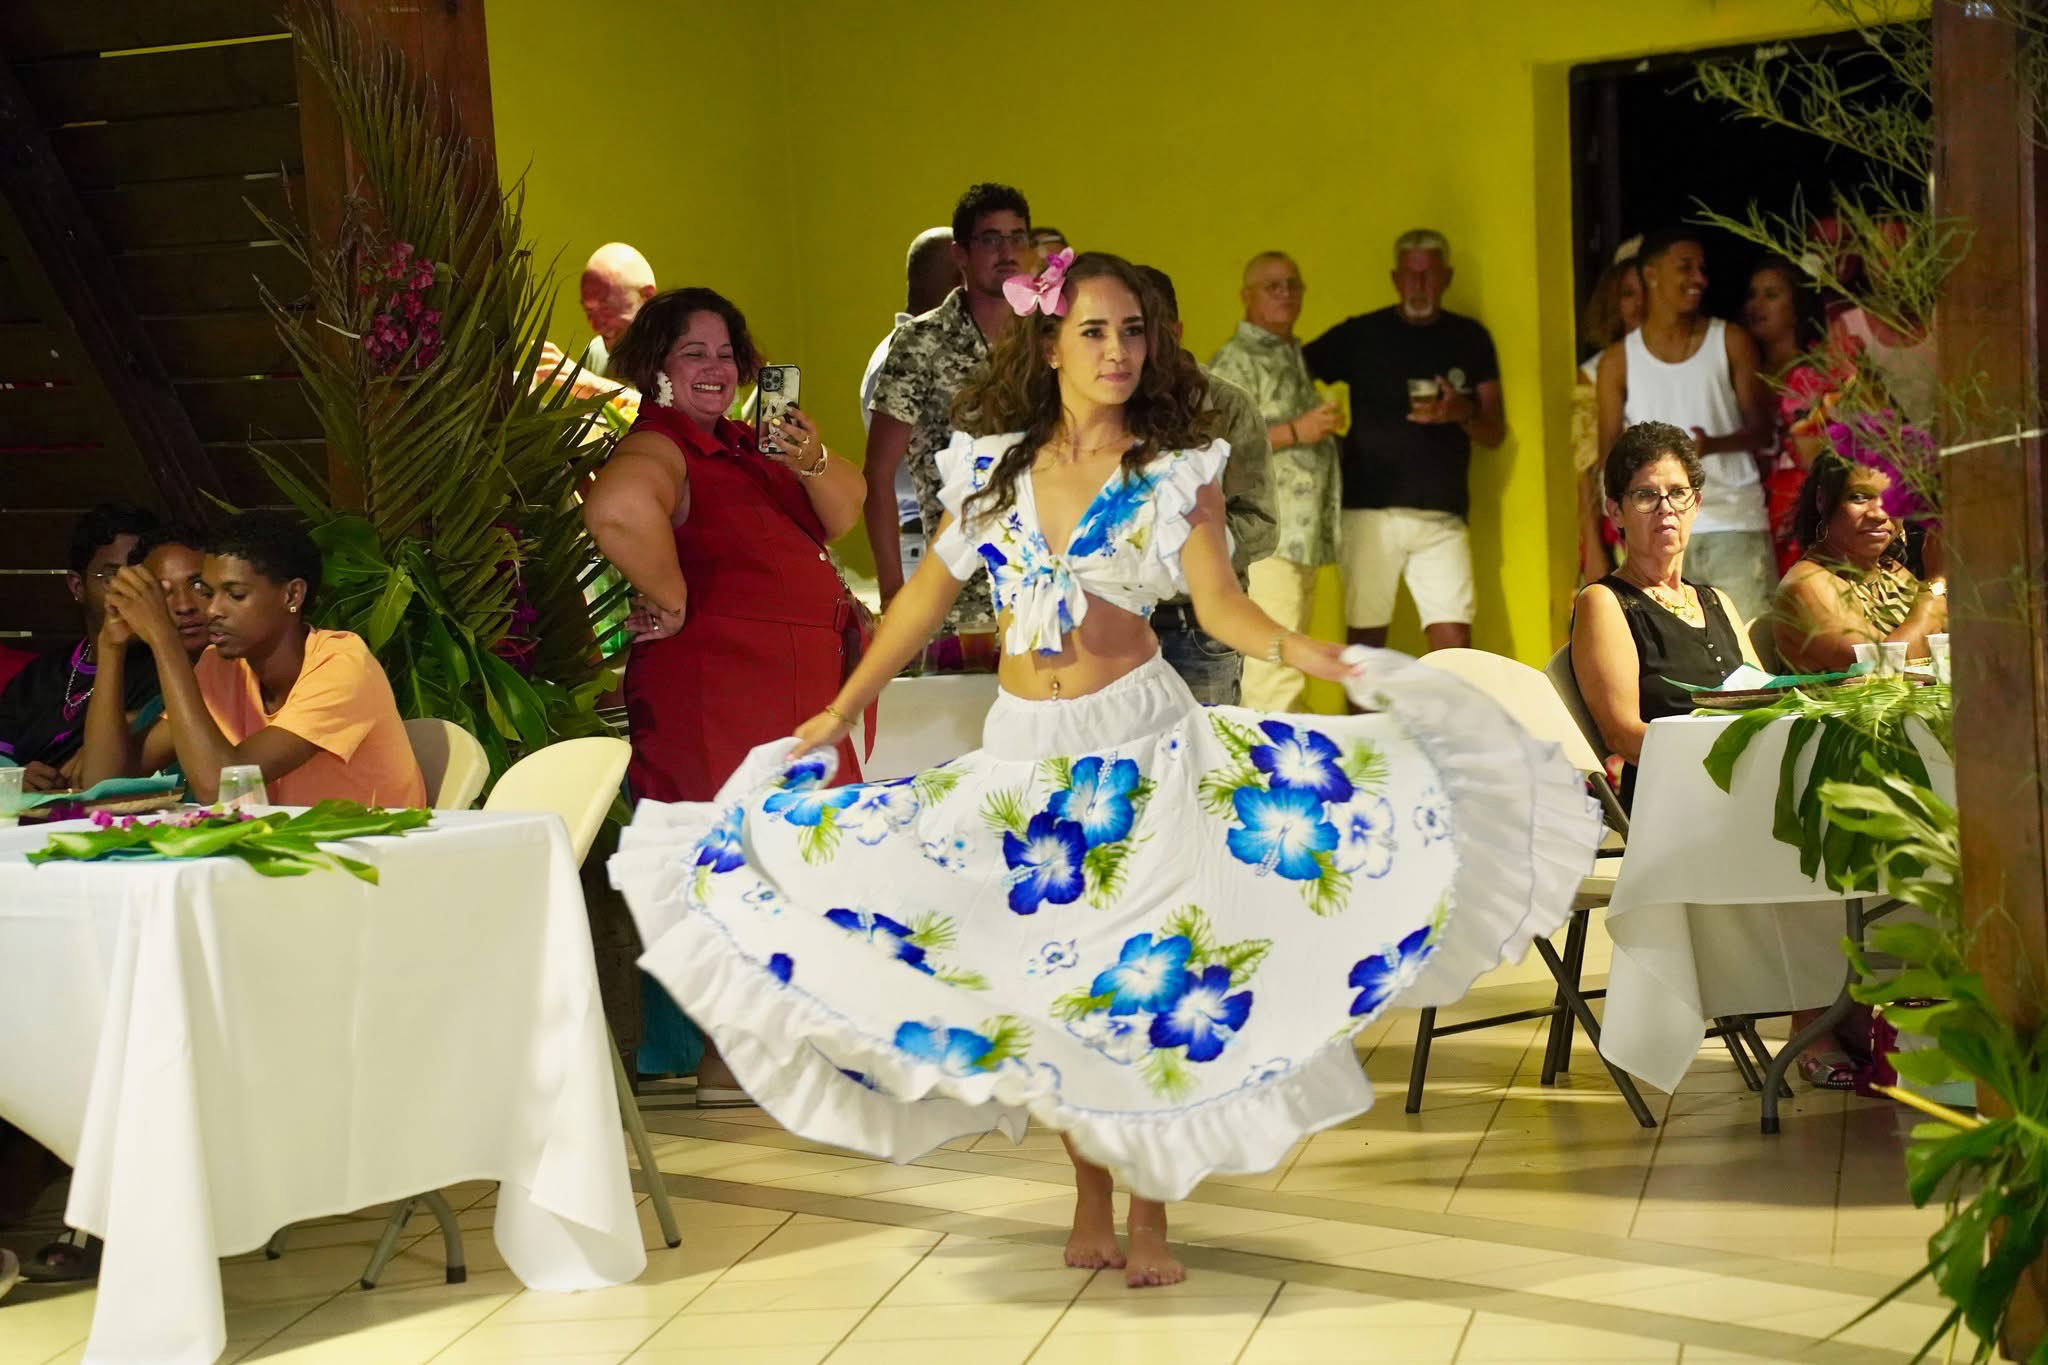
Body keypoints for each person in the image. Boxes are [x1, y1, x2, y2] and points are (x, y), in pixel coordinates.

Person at [611, 251, 1600, 1289]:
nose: (1117, 350)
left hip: (1140, 742)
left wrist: (1316, 655)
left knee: (1142, 988)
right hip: (1026, 758)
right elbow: (919, 601)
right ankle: (1087, 1197)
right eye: (1092, 331)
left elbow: (1219, 609)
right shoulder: (990, 466)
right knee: (1063, 993)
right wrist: (845, 703)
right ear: (1048, 346)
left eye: (1132, 331)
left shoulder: (1174, 470)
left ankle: (1154, 1219)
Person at [582, 286, 869, 1099]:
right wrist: (669, 597)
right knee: (734, 866)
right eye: (692, 353)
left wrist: (808, 456)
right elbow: (616, 509)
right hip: (721, 690)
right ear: (655, 369)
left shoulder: (750, 443)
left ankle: (777, 1046)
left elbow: (843, 512)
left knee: (793, 865)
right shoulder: (663, 446)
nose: (715, 368)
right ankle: (729, 1056)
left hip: (789, 690)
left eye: (726, 354)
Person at [80, 512, 426, 809]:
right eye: (209, 592)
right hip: (281, 863)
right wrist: (110, 648)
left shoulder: (342, 665)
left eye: (235, 595)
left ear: (292, 594)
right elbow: (104, 785)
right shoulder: (221, 666)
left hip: (370, 864)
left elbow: (217, 785)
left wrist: (164, 639)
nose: (212, 610)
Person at [1305, 229, 1504, 653]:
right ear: (1396, 279)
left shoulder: (1469, 338)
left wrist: (1461, 412)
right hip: (1368, 511)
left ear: (1446, 277)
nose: (1419, 285)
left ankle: (1445, 725)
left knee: (1455, 648)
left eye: (1429, 275)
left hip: (1443, 514)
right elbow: (1292, 371)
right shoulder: (1362, 334)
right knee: (1365, 647)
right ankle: (1366, 725)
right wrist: (1321, 436)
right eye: (1411, 276)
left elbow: (1495, 431)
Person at [865, 182, 1038, 646]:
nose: (1007, 252)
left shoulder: (1051, 338)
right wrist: (892, 594)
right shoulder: (922, 343)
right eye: (991, 239)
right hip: (959, 594)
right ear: (961, 254)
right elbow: (878, 474)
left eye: (1017, 237)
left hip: (1052, 585)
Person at [1571, 422, 1756, 810]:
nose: (1666, 508)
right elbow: (1622, 734)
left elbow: (1767, 698)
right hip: (1674, 803)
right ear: (1615, 512)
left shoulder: (1717, 601)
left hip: (1746, 788)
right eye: (1645, 496)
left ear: (1697, 505)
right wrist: (1726, 760)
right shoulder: (1606, 602)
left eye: (1677, 493)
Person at [1597, 229, 1776, 624]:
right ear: (1652, 274)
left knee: (1747, 649)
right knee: (1668, 653)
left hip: (1733, 520)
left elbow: (1764, 430)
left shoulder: (1730, 340)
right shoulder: (1618, 360)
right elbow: (1608, 455)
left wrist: (1714, 444)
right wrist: (1611, 529)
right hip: (1653, 527)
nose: (1699, 279)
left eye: (1702, 269)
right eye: (1685, 268)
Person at [1135, 263, 1277, 704]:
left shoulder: (1229, 407)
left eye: (1146, 330)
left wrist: (1182, 547)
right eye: (1124, 331)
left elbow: (1262, 524)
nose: (1132, 347)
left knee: (1205, 766)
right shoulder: (1100, 406)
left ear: (1177, 330)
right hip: (1115, 627)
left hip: (1197, 627)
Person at [1209, 251, 1344, 711]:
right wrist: (1295, 431)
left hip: (1299, 539)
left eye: (1293, 284)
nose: (1286, 293)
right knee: (1273, 667)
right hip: (1269, 539)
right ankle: (1269, 775)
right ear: (1246, 297)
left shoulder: (1290, 353)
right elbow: (1216, 445)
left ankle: (1290, 763)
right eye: (1272, 286)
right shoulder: (1238, 359)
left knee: (1289, 662)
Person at [0, 503, 162, 790]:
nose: (128, 589)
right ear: (77, 586)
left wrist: (135, 721)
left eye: (141, 577)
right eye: (111, 576)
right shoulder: (39, 676)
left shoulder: (167, 666)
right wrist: (13, 778)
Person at [1772, 457, 1946, 675]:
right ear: (1823, 500)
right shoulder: (1806, 585)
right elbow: (1888, 670)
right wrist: (1936, 583)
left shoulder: (1888, 570)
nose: (1879, 514)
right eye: (1859, 497)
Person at [860, 227, 960, 585]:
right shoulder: (903, 357)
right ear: (958, 279)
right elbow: (883, 473)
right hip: (931, 543)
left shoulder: (942, 350)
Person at [1744, 258, 1834, 575]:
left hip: (1792, 509)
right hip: (1744, 503)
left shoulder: (1808, 374)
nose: (1756, 304)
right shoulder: (1743, 370)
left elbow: (1813, 460)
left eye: (1771, 295)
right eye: (1752, 294)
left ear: (1798, 305)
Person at [1573, 250, 1645, 583]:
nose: (1640, 302)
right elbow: (1584, 469)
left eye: (1647, 289)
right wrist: (1593, 552)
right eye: (1628, 293)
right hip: (1619, 530)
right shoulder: (1591, 374)